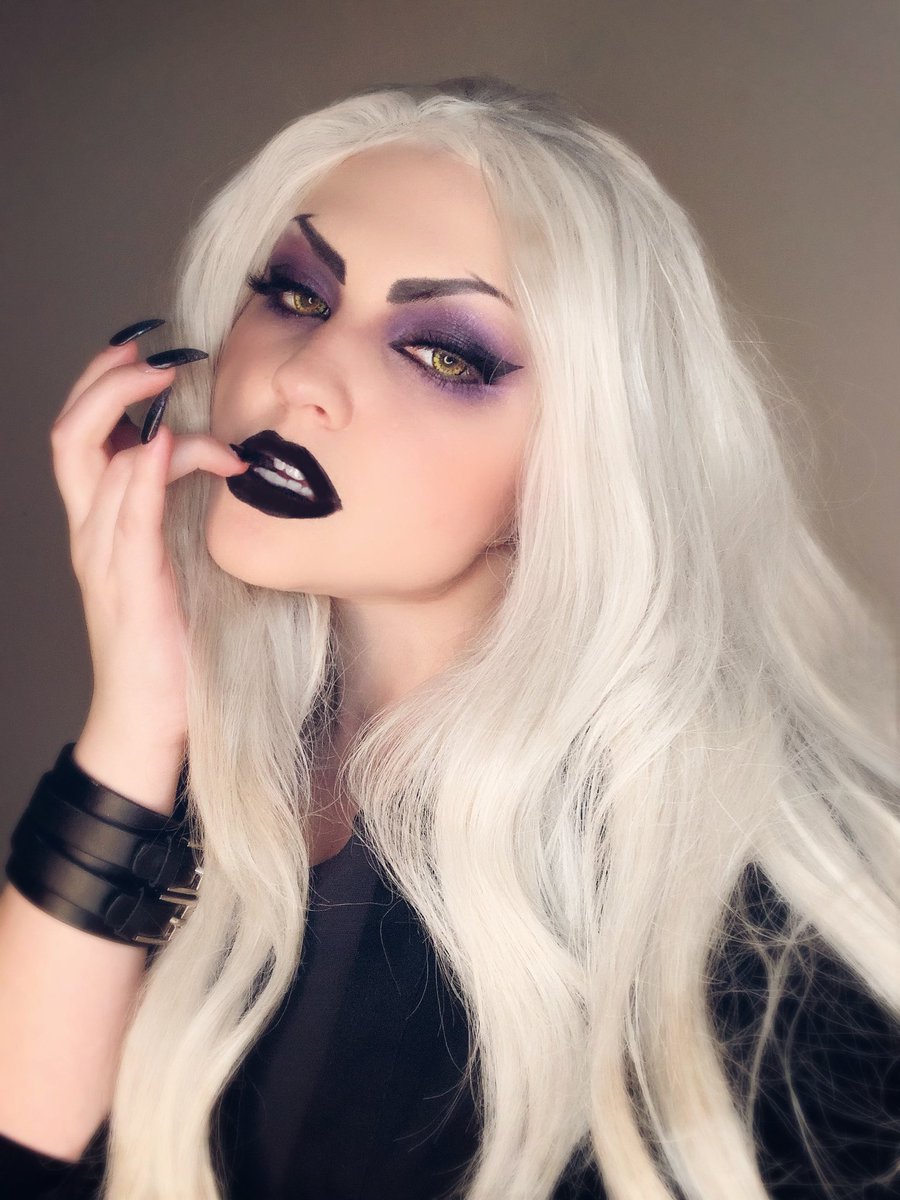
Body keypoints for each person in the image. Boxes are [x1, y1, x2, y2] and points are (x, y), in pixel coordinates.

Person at [0, 76, 897, 1200]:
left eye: (444, 355)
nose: (300, 376)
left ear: (588, 456)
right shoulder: (222, 770)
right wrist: (136, 719)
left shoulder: (745, 923)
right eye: (295, 293)